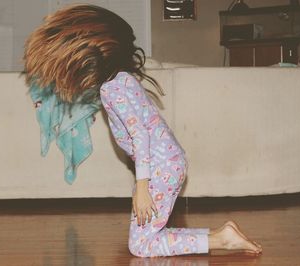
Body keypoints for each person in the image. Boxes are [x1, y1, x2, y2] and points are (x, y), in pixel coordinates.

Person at [24, 4, 262, 257]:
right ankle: (219, 235)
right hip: (168, 163)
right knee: (148, 236)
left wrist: (141, 186)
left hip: (161, 167)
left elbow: (141, 135)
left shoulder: (111, 89)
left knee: (141, 246)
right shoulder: (122, 78)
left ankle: (222, 241)